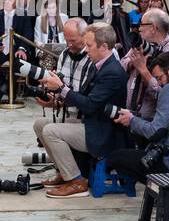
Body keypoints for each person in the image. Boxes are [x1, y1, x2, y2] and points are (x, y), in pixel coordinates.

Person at [37, 22, 129, 199]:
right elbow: (85, 98)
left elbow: (89, 105)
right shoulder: (100, 65)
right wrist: (56, 99)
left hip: (104, 134)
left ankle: (77, 181)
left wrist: (62, 88)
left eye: (89, 45)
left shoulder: (112, 71)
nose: (86, 50)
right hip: (93, 123)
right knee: (40, 124)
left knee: (50, 131)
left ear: (103, 46)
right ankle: (65, 173)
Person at [107, 53, 169, 184]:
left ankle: (164, 193)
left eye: (159, 78)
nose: (158, 84)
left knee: (115, 158)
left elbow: (156, 131)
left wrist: (131, 120)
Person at [124, 8, 169, 122]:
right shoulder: (140, 44)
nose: (139, 28)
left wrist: (143, 70)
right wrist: (132, 62)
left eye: (142, 24)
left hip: (151, 123)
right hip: (130, 117)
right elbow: (121, 66)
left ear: (153, 28)